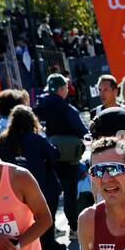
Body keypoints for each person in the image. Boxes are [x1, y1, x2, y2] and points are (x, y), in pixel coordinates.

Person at [0, 105, 65, 250]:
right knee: (45, 229)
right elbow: (55, 155)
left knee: (21, 231)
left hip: (14, 194)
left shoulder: (4, 141)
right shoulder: (36, 139)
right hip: (43, 190)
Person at [34, 74, 88, 236]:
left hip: (46, 157)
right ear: (62, 89)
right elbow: (82, 131)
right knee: (70, 193)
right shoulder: (67, 109)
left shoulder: (38, 107)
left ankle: (50, 230)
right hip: (68, 158)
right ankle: (73, 228)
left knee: (49, 194)